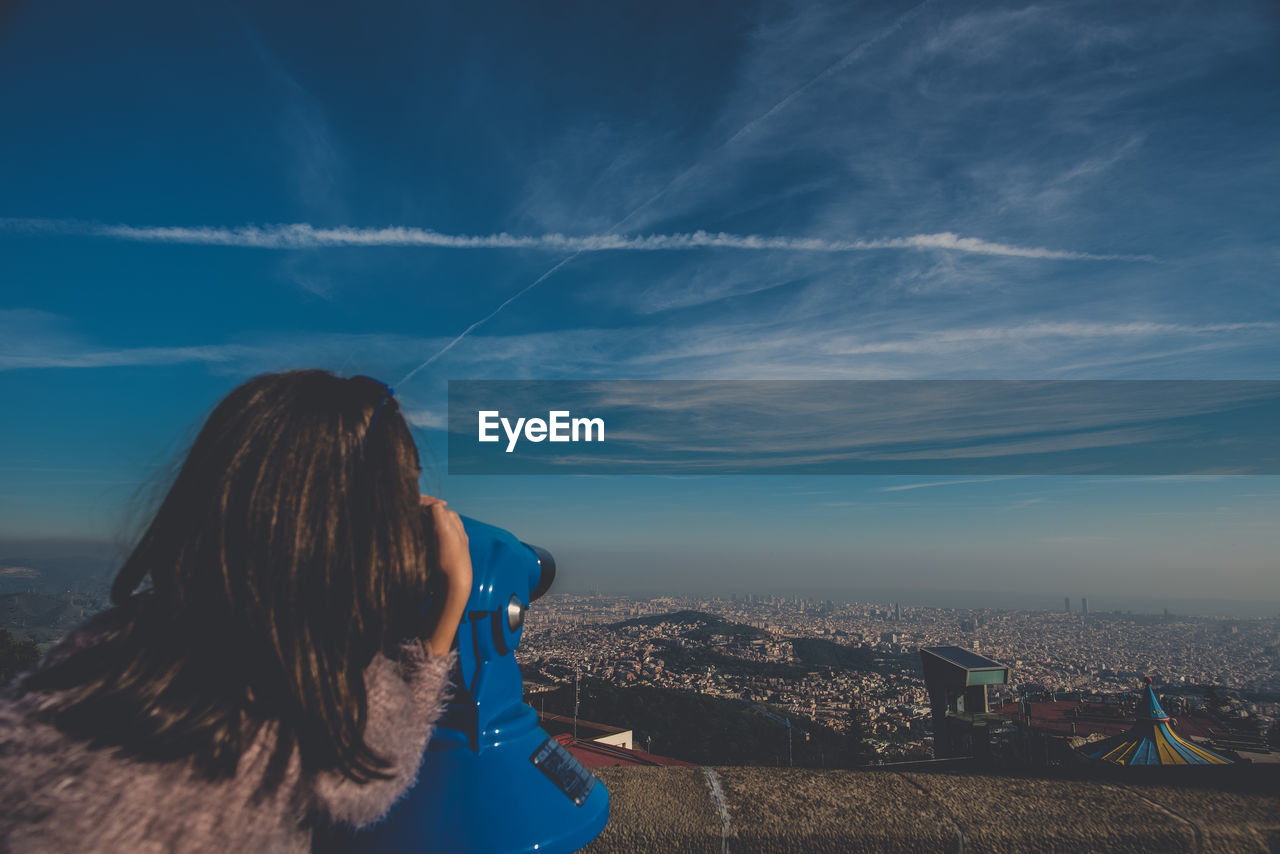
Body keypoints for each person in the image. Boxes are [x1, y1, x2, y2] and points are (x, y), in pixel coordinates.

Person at [0, 370, 471, 853]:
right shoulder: (304, 694)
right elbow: (382, 767)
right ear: (351, 525)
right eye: (400, 492)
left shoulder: (108, 641)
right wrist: (454, 597)